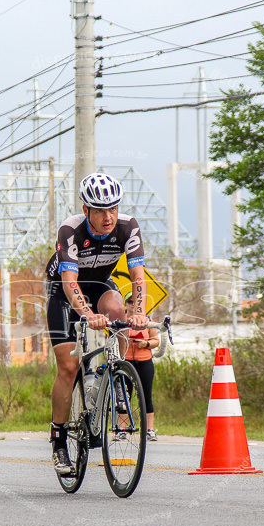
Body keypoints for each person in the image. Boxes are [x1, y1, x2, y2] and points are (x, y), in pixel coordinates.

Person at [44, 172, 148, 475]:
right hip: (64, 292)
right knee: (68, 367)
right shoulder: (71, 230)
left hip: (100, 284)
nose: (108, 216)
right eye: (101, 210)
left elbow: (138, 277)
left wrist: (138, 311)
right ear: (86, 209)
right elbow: (69, 283)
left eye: (113, 208)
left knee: (119, 311)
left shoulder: (128, 227)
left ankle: (116, 377)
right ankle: (59, 440)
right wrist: (87, 315)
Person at [123, 292, 160, 441]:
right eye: (130, 302)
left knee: (146, 396)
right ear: (125, 304)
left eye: (136, 301)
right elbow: (111, 340)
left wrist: (145, 344)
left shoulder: (148, 320)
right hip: (125, 360)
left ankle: (149, 429)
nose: (133, 304)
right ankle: (122, 429)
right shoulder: (120, 320)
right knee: (124, 397)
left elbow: (156, 340)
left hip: (144, 360)